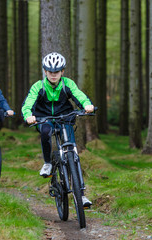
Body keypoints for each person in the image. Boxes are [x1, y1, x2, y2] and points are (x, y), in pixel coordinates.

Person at [21, 52, 94, 207]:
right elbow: (28, 103)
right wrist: (28, 115)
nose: (53, 75)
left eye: (57, 72)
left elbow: (78, 95)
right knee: (46, 132)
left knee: (72, 153)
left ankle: (80, 195)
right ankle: (47, 163)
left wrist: (87, 105)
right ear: (45, 72)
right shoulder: (38, 86)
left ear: (62, 72)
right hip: (44, 118)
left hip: (65, 116)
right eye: (50, 72)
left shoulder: (67, 83)